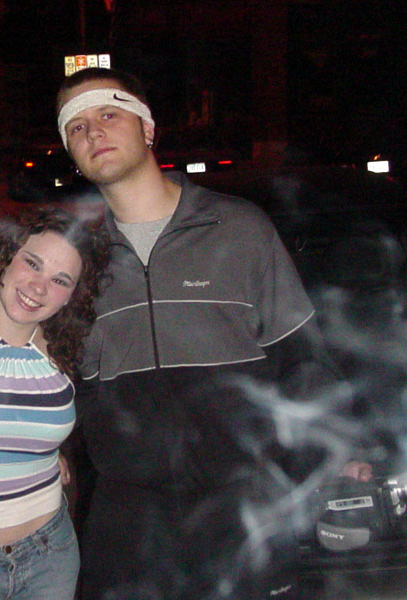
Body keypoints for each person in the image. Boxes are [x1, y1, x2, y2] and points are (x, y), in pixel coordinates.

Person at [55, 67, 373, 599]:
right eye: (77, 126)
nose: (94, 132)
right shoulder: (77, 257)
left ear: (148, 128)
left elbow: (302, 357)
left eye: (109, 114)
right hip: (131, 523)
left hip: (243, 509)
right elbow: (69, 384)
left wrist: (340, 448)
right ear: (70, 150)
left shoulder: (240, 227)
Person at [0, 208, 110, 600]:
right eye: (33, 263)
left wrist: (50, 448)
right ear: (7, 258)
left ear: (71, 295)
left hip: (50, 554)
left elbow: (29, 419)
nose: (39, 287)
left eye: (60, 280)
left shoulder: (63, 348)